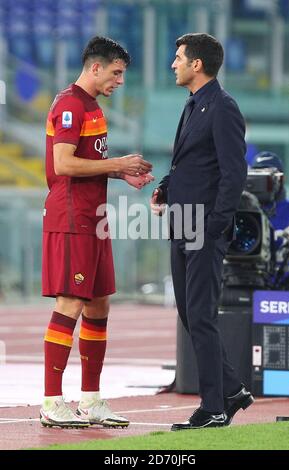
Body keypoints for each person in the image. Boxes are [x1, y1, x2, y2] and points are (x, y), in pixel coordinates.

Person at [41, 36, 153, 429]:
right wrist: (117, 162)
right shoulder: (71, 105)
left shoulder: (92, 107)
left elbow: (88, 162)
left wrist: (120, 171)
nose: (119, 81)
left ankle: (91, 400)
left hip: (94, 217)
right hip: (72, 217)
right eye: (116, 73)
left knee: (99, 303)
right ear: (95, 67)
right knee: (70, 302)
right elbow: (65, 165)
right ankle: (52, 401)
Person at [151, 33, 254, 429]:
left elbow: (234, 172)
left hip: (204, 228)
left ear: (197, 65)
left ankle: (213, 407)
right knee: (190, 314)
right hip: (183, 223)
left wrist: (214, 225)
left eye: (178, 58)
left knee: (200, 314)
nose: (173, 63)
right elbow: (190, 164)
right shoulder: (194, 104)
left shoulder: (224, 107)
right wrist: (165, 185)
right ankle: (231, 390)